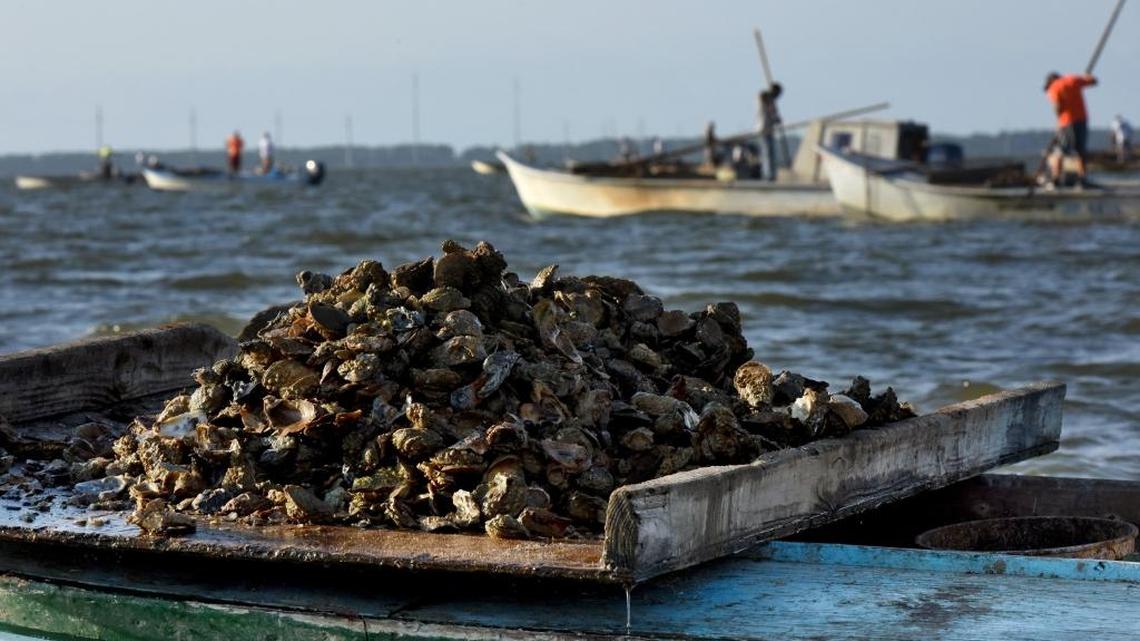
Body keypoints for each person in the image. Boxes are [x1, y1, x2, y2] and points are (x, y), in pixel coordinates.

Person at [1043, 71, 1097, 187]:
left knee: (1060, 150)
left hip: (1066, 123)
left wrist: (1058, 122)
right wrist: (1087, 77)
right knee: (1080, 151)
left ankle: (1055, 179)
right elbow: (1093, 81)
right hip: (1082, 120)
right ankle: (1082, 179)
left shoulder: (1054, 87)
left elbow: (1057, 106)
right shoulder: (1073, 80)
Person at [757, 83, 783, 182]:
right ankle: (767, 175)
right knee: (767, 152)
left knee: (771, 152)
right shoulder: (765, 99)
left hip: (770, 130)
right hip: (764, 129)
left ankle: (771, 174)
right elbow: (761, 95)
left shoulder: (771, 103)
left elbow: (773, 116)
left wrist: (777, 120)